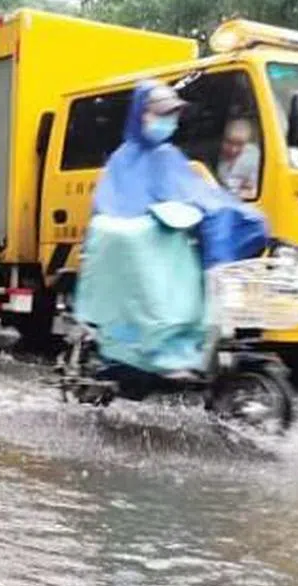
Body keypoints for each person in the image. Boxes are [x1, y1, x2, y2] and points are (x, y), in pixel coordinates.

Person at [73, 79, 268, 377]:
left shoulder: (168, 157)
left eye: (172, 115)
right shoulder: (122, 161)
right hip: (135, 259)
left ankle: (187, 352)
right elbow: (109, 214)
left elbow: (198, 196)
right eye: (160, 114)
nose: (168, 121)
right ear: (141, 116)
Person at [216, 118, 261, 200]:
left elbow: (256, 192)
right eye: (229, 142)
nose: (233, 149)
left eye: (239, 144)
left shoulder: (255, 159)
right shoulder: (213, 155)